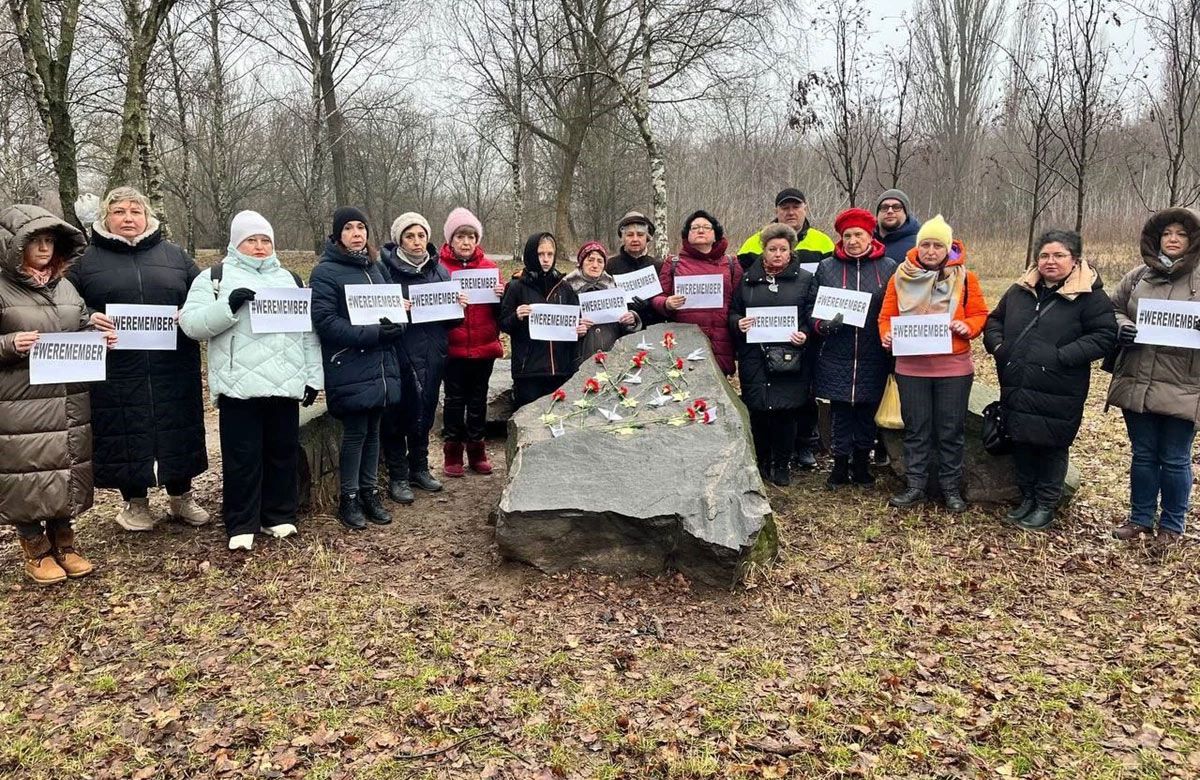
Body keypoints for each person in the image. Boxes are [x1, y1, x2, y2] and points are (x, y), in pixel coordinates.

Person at [67, 186, 209, 532]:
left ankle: (182, 497)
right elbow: (63, 302)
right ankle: (135, 502)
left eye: (135, 211)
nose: (128, 218)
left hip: (174, 364)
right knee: (125, 429)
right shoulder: (86, 262)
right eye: (119, 212)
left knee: (178, 425)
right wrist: (87, 316)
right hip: (117, 367)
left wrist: (191, 311)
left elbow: (204, 294)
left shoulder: (175, 256)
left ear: (147, 217)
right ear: (106, 218)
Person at [180, 211, 324, 551]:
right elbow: (191, 324)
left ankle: (278, 515)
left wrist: (312, 375)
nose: (259, 247)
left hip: (285, 381)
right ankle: (241, 521)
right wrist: (227, 307)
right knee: (242, 456)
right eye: (251, 240)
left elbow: (307, 333)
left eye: (265, 241)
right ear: (236, 243)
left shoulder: (291, 280)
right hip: (238, 385)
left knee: (282, 451)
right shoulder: (213, 278)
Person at [1, 205, 113, 583]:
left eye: (50, 241)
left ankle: (65, 542)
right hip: (20, 401)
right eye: (36, 241)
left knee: (66, 466)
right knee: (28, 473)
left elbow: (77, 323)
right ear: (14, 247)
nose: (45, 248)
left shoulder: (65, 285)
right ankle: (35, 548)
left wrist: (97, 332)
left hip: (68, 398)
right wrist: (10, 344)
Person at [984, 230, 1117, 530]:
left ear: (1074, 259)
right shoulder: (1020, 291)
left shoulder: (1090, 297)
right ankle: (1027, 498)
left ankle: (1046, 503)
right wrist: (999, 347)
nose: (1050, 261)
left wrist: (1063, 356)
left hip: (1059, 387)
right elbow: (994, 321)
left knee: (1051, 445)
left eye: (1059, 255)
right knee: (1020, 440)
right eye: (1044, 255)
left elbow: (1105, 335)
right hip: (1017, 381)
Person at [878, 215, 989, 513]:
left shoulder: (966, 278)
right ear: (917, 246)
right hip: (911, 368)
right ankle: (915, 486)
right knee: (916, 428)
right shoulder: (900, 276)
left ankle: (951, 489)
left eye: (936, 246)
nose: (930, 251)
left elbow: (979, 313)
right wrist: (887, 336)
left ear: (947, 248)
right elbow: (886, 316)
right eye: (925, 244)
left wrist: (969, 327)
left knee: (950, 429)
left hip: (953, 368)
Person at [1106, 208, 1200, 547]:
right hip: (1138, 378)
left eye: (1181, 234)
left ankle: (1173, 525)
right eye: (1166, 234)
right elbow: (1113, 309)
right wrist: (1122, 327)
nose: (1173, 239)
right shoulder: (1138, 277)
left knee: (1175, 457)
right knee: (1143, 454)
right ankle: (1140, 517)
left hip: (1185, 385)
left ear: (1192, 241)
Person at [310, 207, 403, 531]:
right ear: (338, 236)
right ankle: (348, 498)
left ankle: (369, 492)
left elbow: (394, 308)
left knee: (374, 430)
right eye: (348, 228)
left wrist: (396, 326)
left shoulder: (376, 267)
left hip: (379, 364)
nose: (356, 233)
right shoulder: (325, 272)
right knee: (355, 432)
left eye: (361, 227)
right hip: (349, 363)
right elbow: (325, 321)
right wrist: (373, 333)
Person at [736, 188, 835, 471]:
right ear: (777, 210)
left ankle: (805, 443)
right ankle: (772, 453)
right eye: (785, 207)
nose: (791, 212)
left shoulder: (822, 241)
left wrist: (810, 328)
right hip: (763, 340)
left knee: (804, 393)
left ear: (805, 208)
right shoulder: (752, 243)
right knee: (768, 399)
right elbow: (742, 285)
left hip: (801, 333)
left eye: (796, 206)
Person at [808, 207, 898, 489]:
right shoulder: (827, 267)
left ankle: (862, 465)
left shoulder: (888, 267)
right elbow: (812, 307)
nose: (852, 240)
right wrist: (823, 326)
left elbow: (898, 307)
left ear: (870, 236)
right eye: (847, 235)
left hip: (873, 352)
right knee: (840, 413)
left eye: (858, 234)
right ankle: (839, 466)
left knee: (866, 412)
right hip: (838, 352)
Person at [378, 212, 464, 504]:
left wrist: (457, 308)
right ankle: (398, 475)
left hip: (433, 352)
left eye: (421, 235)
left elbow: (451, 323)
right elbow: (376, 313)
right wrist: (395, 308)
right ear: (399, 240)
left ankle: (419, 466)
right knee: (397, 414)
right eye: (410, 236)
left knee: (425, 410)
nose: (416, 242)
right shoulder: (384, 271)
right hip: (399, 352)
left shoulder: (440, 271)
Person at [729, 223, 814, 487]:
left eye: (783, 249)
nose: (777, 254)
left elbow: (812, 313)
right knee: (758, 410)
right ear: (763, 251)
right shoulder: (746, 279)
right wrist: (738, 323)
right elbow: (733, 311)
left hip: (789, 356)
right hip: (755, 354)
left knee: (785, 412)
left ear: (791, 251)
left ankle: (781, 463)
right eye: (772, 249)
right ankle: (762, 460)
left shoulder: (805, 279)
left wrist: (804, 332)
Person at [438, 208, 505, 477]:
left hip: (483, 345)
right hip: (451, 348)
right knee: (453, 401)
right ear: (450, 240)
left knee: (478, 401)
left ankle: (477, 450)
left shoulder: (490, 268)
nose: (466, 242)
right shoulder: (440, 269)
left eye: (471, 236)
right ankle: (452, 452)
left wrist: (503, 295)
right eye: (460, 236)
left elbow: (502, 313)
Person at [499, 232, 588, 407]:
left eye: (550, 254)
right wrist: (516, 316)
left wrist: (580, 330)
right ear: (532, 254)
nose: (546, 259)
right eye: (541, 254)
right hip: (528, 370)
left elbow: (576, 322)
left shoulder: (564, 288)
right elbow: (503, 324)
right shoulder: (516, 286)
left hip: (560, 369)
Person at [652, 210, 740, 375]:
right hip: (684, 340)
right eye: (695, 228)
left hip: (721, 342)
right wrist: (666, 303)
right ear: (687, 235)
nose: (701, 231)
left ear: (716, 235)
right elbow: (658, 297)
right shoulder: (673, 263)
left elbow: (739, 302)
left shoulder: (731, 263)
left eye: (706, 227)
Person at [565, 241, 640, 359]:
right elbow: (559, 328)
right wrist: (574, 327)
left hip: (613, 355)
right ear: (581, 262)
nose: (595, 265)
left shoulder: (614, 288)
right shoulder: (565, 289)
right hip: (580, 358)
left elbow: (623, 327)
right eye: (590, 260)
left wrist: (631, 320)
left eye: (600, 261)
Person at [606, 211, 663, 327]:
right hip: (617, 330)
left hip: (651, 329)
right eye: (630, 235)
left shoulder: (658, 266)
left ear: (647, 238)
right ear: (622, 238)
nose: (635, 239)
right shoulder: (610, 266)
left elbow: (665, 307)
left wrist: (648, 307)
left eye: (640, 235)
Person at [873, 189, 922, 263]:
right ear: (877, 214)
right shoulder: (865, 241)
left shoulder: (919, 244)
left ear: (905, 213)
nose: (890, 211)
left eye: (896, 207)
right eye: (884, 207)